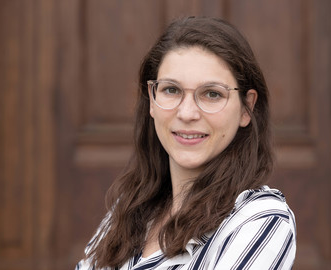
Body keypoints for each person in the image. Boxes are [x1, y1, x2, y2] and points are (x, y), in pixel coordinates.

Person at [76, 16, 296, 270]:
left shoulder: (261, 219)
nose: (187, 113)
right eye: (171, 90)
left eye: (212, 94)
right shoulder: (127, 210)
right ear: (152, 98)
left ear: (247, 108)